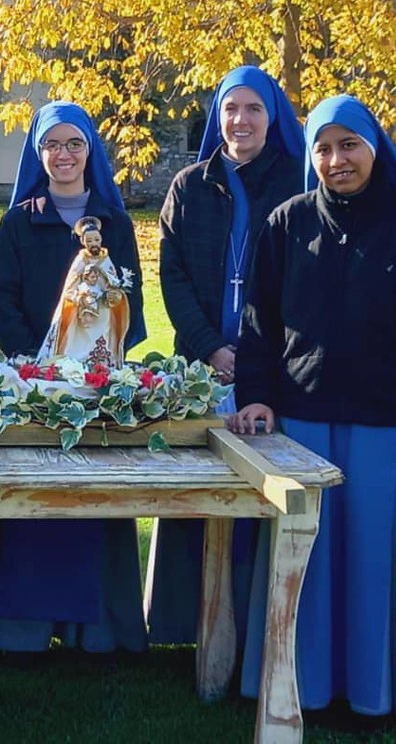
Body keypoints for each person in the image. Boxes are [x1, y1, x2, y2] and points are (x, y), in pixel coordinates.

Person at [229, 93, 396, 725]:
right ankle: (305, 684)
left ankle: (383, 692)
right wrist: (256, 394)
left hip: (390, 428)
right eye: (324, 148)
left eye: (350, 145)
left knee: (377, 565)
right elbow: (259, 323)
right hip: (303, 423)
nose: (337, 161)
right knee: (308, 563)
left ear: (375, 148)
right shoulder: (286, 223)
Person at [145, 64, 307, 657]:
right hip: (203, 364)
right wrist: (208, 344)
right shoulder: (190, 185)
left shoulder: (297, 180)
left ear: (273, 117)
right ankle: (184, 625)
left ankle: (262, 629)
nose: (240, 121)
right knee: (194, 493)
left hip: (272, 370)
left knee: (266, 493)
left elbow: (304, 281)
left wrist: (257, 357)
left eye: (253, 109)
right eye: (230, 109)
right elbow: (174, 275)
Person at [0, 101, 147, 652]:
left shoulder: (115, 223)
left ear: (90, 151)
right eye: (52, 145)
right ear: (39, 154)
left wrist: (95, 362)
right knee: (35, 501)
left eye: (74, 144)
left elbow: (130, 298)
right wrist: (39, 360)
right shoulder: (18, 221)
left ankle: (95, 633)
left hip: (96, 382)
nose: (63, 155)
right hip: (37, 383)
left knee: (92, 499)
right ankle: (23, 630)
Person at [38, 216, 132, 365]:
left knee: (103, 338)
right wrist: (80, 298)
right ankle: (75, 365)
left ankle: (102, 365)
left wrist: (114, 296)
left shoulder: (106, 261)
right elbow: (69, 288)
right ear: (83, 242)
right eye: (89, 241)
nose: (94, 244)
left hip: (102, 310)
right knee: (78, 342)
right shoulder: (80, 261)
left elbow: (113, 284)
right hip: (82, 313)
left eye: (96, 240)